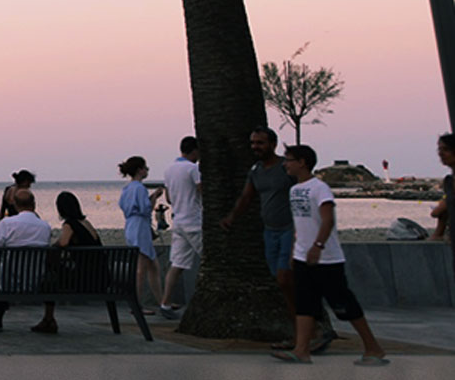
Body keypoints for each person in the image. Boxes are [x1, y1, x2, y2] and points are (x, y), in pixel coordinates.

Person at [220, 127, 337, 352]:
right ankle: (305, 333)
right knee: (284, 283)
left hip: (290, 231)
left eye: (260, 143)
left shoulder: (286, 168)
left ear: (273, 144)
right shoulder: (256, 170)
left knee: (286, 279)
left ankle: (312, 331)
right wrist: (232, 217)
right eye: (253, 143)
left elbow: (305, 191)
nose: (255, 147)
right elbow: (247, 196)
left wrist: (306, 233)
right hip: (269, 232)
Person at [273, 145, 388, 366]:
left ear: (302, 162)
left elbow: (328, 220)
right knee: (304, 303)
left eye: (288, 160)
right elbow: (300, 224)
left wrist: (318, 245)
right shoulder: (294, 190)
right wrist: (295, 251)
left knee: (343, 304)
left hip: (327, 259)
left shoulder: (320, 188)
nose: (285, 164)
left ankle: (373, 348)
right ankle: (301, 350)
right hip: (302, 258)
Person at [27, 191, 106, 334]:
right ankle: (48, 320)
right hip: (101, 276)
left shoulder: (69, 224)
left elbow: (63, 242)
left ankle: (48, 320)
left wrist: (52, 246)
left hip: (86, 280)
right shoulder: (86, 223)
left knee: (49, 281)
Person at [0, 189, 52, 333]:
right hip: (35, 280)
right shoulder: (45, 226)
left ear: (15, 205)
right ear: (34, 205)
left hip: (8, 281)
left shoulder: (7, 224)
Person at [158, 136, 203, 319]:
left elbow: (168, 198)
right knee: (209, 260)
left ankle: (165, 303)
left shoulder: (169, 169)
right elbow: (202, 191)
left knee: (177, 264)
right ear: (194, 151)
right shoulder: (193, 169)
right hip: (195, 221)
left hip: (178, 222)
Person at [117, 157, 165, 314]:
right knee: (142, 268)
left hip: (132, 225)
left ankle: (161, 301)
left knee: (152, 265)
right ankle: (138, 304)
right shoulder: (139, 189)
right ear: (139, 170)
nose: (147, 171)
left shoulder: (128, 189)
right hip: (140, 227)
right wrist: (154, 198)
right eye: (145, 168)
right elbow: (146, 209)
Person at [435, 134, 455, 274]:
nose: (441, 154)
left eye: (446, 149)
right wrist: (438, 233)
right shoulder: (449, 181)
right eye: (439, 149)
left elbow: (439, 211)